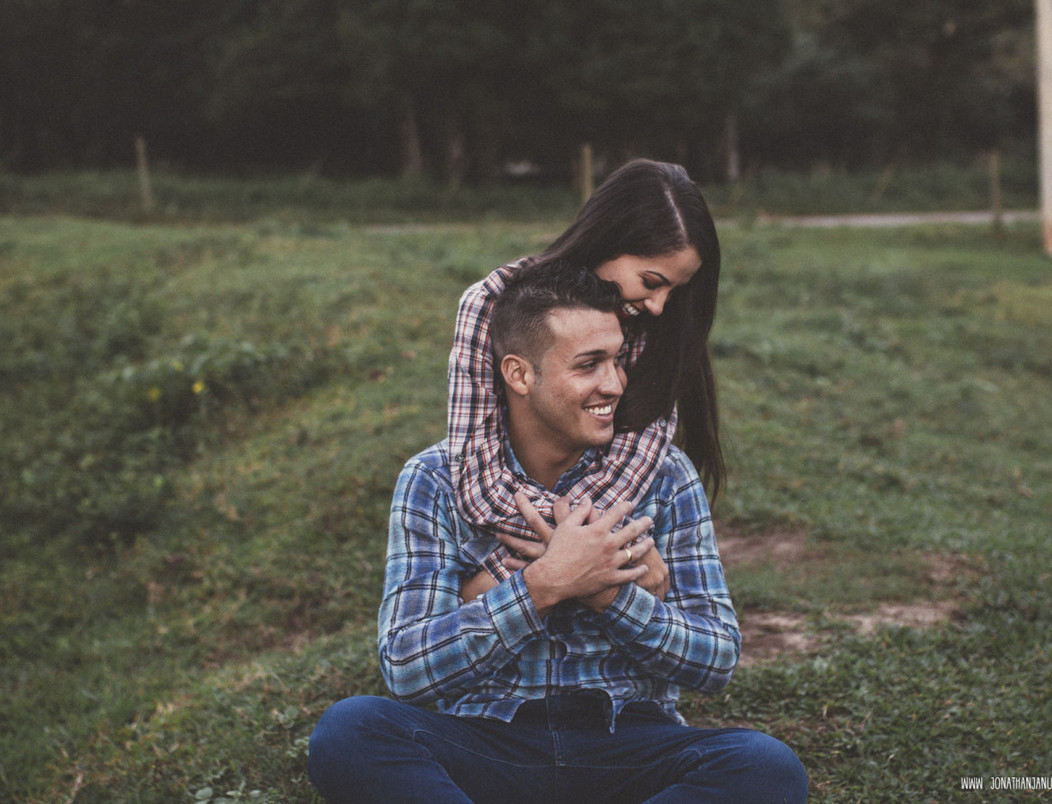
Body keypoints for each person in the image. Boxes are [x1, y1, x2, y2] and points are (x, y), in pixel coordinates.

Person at [308, 263, 808, 803]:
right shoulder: (435, 479)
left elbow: (715, 659)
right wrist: (544, 585)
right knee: (351, 731)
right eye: (589, 365)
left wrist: (608, 592)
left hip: (631, 743)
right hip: (489, 742)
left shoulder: (665, 475)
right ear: (519, 375)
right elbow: (407, 668)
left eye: (617, 361)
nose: (614, 384)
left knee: (766, 768)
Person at [449, 159, 725, 591]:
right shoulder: (495, 305)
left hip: (517, 561)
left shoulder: (658, 333)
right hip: (494, 543)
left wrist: (511, 580)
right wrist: (580, 562)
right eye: (651, 281)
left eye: (676, 289)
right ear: (607, 240)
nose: (658, 305)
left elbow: (624, 478)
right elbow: (479, 482)